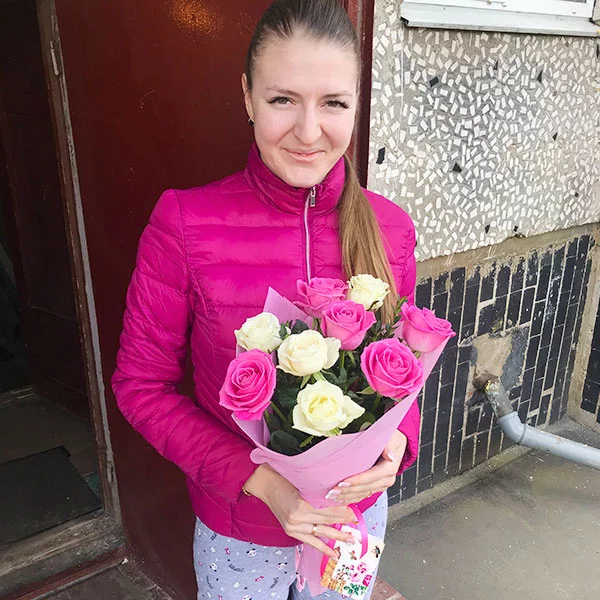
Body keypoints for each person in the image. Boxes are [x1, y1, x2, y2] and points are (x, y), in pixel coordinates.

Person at [112, 1, 420, 598]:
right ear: (248, 97)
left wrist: (398, 440)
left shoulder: (391, 229)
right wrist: (263, 484)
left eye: (333, 103)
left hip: (353, 524)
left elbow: (403, 369)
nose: (308, 132)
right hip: (240, 532)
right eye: (283, 99)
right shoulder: (185, 224)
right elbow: (140, 387)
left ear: (357, 105)